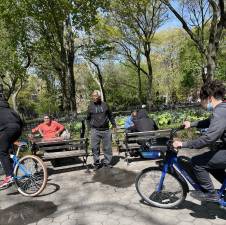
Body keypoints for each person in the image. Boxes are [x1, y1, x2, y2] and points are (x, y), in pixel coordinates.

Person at [173, 80, 226, 202]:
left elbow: (209, 138)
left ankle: (211, 194)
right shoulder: (222, 107)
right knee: (213, 166)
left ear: (209, 98)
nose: (200, 102)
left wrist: (183, 144)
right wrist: (191, 124)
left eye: (201, 99)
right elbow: (209, 121)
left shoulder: (219, 111)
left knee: (197, 162)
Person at [0, 84, 23, 189]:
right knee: (7, 150)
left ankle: (9, 176)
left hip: (7, 129)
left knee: (1, 151)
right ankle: (11, 170)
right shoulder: (9, 109)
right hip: (17, 129)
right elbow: (21, 121)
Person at [86, 90, 116, 170]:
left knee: (107, 147)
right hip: (95, 130)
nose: (94, 97)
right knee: (95, 147)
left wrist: (114, 125)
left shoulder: (105, 105)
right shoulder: (90, 106)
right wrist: (89, 127)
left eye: (95, 96)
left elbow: (110, 115)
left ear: (99, 97)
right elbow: (88, 118)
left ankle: (107, 162)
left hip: (106, 130)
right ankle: (97, 163)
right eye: (93, 96)